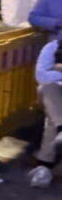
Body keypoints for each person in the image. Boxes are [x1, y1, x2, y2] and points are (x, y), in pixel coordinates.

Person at [29, 35, 62, 187]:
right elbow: (41, 75)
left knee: (52, 117)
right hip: (56, 95)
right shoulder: (52, 47)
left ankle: (45, 162)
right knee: (47, 89)